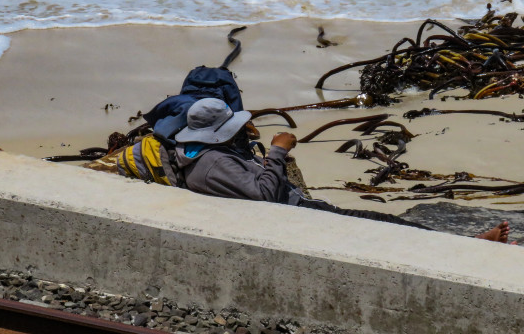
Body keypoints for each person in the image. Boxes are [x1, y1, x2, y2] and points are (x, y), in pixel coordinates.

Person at [174, 98, 511, 243]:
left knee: (388, 224)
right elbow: (262, 193)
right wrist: (277, 151)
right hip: (299, 213)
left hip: (296, 210)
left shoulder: (205, 156)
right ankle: (470, 243)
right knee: (390, 226)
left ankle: (464, 241)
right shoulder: (214, 162)